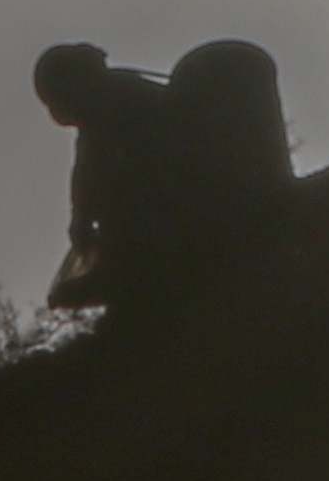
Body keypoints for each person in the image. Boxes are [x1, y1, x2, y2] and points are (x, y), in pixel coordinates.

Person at [31, 38, 295, 315]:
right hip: (177, 198)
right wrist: (81, 217)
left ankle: (124, 274)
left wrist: (88, 223)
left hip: (189, 195)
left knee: (126, 198)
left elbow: (99, 171)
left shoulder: (117, 100)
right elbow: (87, 169)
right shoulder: (104, 109)